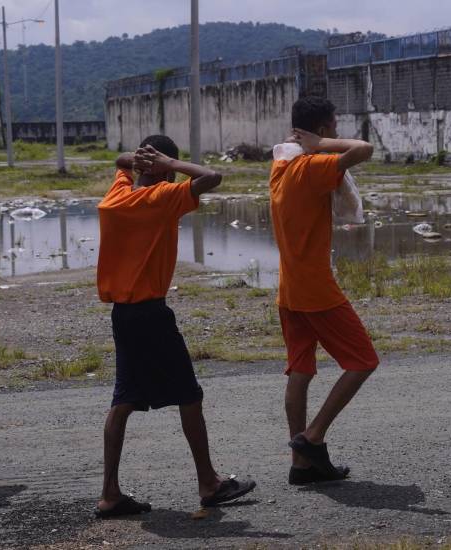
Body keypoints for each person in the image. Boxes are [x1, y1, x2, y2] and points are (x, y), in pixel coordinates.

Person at [94, 135, 256, 518]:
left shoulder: (117, 195)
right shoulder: (161, 198)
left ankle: (110, 494)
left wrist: (143, 160)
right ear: (164, 171)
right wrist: (170, 164)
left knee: (124, 400)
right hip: (151, 315)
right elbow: (212, 176)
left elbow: (120, 162)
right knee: (188, 394)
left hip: (123, 315)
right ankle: (209, 483)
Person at [269, 97, 379, 485]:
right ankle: (312, 438)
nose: (336, 131)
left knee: (300, 370)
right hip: (315, 288)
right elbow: (363, 149)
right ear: (321, 129)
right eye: (333, 126)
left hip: (289, 288)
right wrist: (321, 144)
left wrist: (312, 143)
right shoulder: (309, 167)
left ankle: (301, 466)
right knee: (363, 361)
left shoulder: (281, 165)